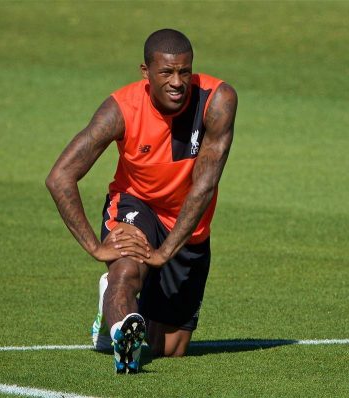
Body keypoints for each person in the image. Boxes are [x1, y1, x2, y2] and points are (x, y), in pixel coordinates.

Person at [45, 28, 237, 374]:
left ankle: (112, 313)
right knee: (126, 270)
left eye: (184, 71)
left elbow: (204, 187)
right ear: (146, 72)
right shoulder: (120, 109)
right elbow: (60, 177)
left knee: (170, 348)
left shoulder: (218, 100)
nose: (177, 82)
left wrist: (165, 253)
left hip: (189, 224)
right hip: (137, 203)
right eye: (166, 72)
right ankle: (121, 336)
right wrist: (95, 247)